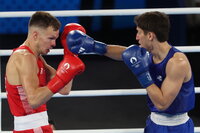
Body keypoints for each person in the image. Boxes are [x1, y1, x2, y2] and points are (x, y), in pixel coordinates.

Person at [65, 11, 195, 133]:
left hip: (177, 128)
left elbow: (162, 104)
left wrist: (142, 73)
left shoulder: (177, 63)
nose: (136, 37)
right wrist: (95, 46)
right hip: (154, 123)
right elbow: (124, 53)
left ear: (150, 35)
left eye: (139, 32)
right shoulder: (148, 54)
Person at [5, 11, 86, 133]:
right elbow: (34, 101)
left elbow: (64, 89)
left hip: (38, 127)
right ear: (35, 35)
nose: (54, 44)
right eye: (51, 38)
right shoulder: (24, 57)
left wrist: (70, 53)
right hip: (30, 129)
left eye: (56, 39)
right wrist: (62, 77)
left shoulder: (36, 57)